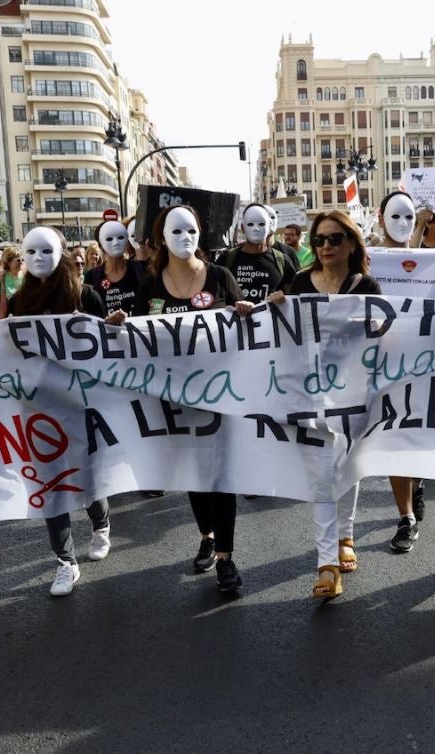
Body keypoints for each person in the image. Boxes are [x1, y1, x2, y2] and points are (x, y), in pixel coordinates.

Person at [127, 205, 255, 593]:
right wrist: (116, 327)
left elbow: (248, 334)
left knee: (220, 476)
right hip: (172, 401)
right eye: (177, 230)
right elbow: (133, 340)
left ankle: (226, 560)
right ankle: (207, 535)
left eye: (192, 230)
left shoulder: (220, 276)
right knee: (194, 478)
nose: (186, 237)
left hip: (219, 397)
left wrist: (247, 314)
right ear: (161, 238)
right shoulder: (148, 287)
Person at [270, 210, 381, 599]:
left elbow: (383, 335)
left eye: (335, 239)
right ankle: (327, 563)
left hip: (354, 393)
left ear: (351, 243)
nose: (326, 247)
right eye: (319, 240)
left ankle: (346, 534)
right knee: (322, 475)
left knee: (346, 466)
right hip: (309, 393)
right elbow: (278, 330)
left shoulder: (366, 285)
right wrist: (273, 306)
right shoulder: (299, 283)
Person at [9, 226, 111, 596]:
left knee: (87, 474)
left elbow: (109, 350)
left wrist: (112, 329)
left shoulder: (86, 297)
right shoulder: (19, 302)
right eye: (29, 252)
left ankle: (100, 524)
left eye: (45, 251)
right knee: (51, 483)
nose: (37, 259)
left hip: (83, 405)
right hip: (39, 408)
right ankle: (65, 561)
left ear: (62, 253)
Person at [377, 191, 424, 547]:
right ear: (380, 218)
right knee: (395, 439)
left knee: (419, 438)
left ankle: (418, 482)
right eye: (395, 216)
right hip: (384, 365)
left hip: (427, 365)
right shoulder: (368, 260)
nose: (403, 224)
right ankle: (405, 517)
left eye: (410, 217)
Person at [219, 203, 296, 305]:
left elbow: (295, 298)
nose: (256, 229)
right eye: (250, 224)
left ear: (269, 227)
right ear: (243, 228)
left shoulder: (282, 261)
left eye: (261, 224)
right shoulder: (226, 259)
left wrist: (283, 300)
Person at [84, 220, 146, 315]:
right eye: (109, 239)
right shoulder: (91, 276)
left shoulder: (141, 269)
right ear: (101, 245)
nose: (116, 242)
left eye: (120, 237)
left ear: (127, 241)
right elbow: (90, 312)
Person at [264, 204, 300, 270]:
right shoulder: (244, 252)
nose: (268, 221)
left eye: (272, 217)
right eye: (263, 217)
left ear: (277, 222)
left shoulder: (289, 252)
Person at [0, 246, 24, 318]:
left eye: (22, 259)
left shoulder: (27, 276)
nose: (21, 262)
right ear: (8, 262)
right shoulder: (0, 279)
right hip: (9, 320)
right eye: (18, 260)